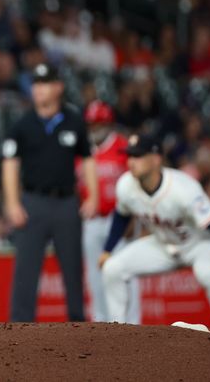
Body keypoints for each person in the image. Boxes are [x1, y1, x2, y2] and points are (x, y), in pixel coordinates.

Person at [100, 134, 210, 336]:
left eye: (138, 156)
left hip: (198, 244)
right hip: (162, 245)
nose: (131, 161)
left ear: (156, 158)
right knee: (112, 268)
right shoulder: (126, 185)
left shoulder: (183, 188)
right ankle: (118, 332)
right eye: (130, 156)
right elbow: (121, 215)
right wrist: (108, 249)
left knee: (208, 273)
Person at [1, 63, 97, 322]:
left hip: (66, 202)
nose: (39, 89)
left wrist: (94, 196)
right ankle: (19, 330)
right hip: (33, 201)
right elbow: (10, 163)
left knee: (73, 269)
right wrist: (12, 203)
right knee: (26, 270)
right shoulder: (23, 124)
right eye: (36, 84)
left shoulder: (74, 120)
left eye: (45, 84)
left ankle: (78, 325)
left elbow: (88, 159)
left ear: (58, 87)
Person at [77, 100, 139, 323]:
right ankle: (100, 323)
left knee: (126, 272)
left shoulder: (123, 146)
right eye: (92, 124)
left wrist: (133, 217)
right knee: (94, 277)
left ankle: (132, 324)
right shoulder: (81, 150)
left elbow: (136, 184)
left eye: (99, 123)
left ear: (109, 123)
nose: (95, 128)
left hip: (119, 219)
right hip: (92, 221)